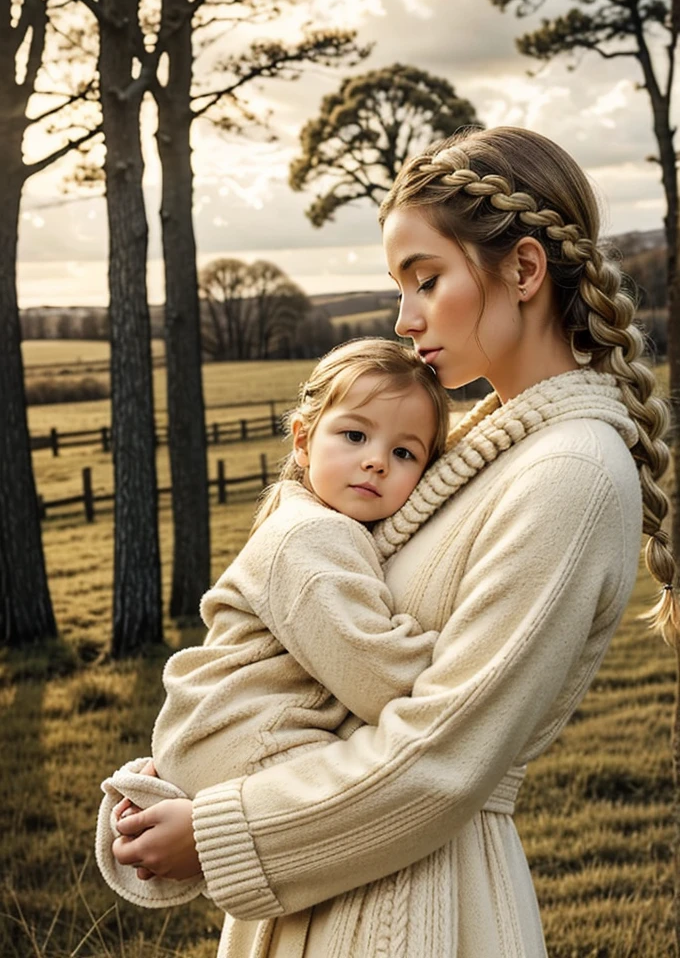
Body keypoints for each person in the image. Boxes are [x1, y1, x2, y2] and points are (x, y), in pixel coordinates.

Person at [110, 126, 678, 958]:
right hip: (331, 885)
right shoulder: (477, 454)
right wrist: (188, 766)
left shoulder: (574, 474)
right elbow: (327, 673)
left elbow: (444, 755)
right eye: (397, 286)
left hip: (420, 911)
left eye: (426, 279)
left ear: (523, 270)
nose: (404, 319)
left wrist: (217, 832)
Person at [97, 338, 452, 907]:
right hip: (252, 736)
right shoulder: (311, 537)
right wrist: (458, 648)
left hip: (223, 730)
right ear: (305, 440)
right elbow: (379, 674)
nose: (376, 460)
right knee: (383, 808)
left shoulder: (314, 525)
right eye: (355, 436)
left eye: (405, 453)